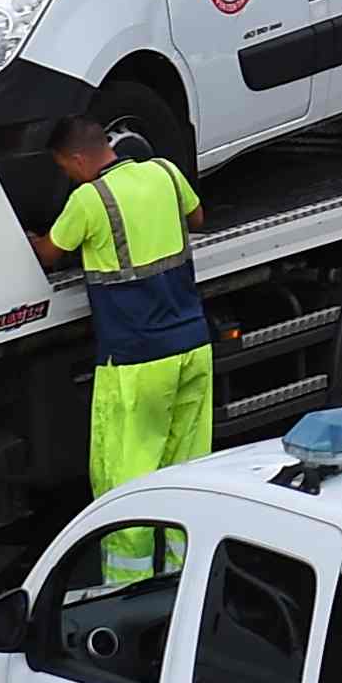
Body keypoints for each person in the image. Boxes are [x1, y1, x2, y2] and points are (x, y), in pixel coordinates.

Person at [37, 114, 213, 573]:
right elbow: (197, 218)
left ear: (77, 158)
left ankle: (126, 592)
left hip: (136, 362)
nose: (65, 175)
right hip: (194, 348)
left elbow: (51, 253)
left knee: (127, 481)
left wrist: (29, 237)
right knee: (187, 474)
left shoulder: (88, 200)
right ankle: (184, 578)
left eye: (62, 166)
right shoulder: (166, 172)